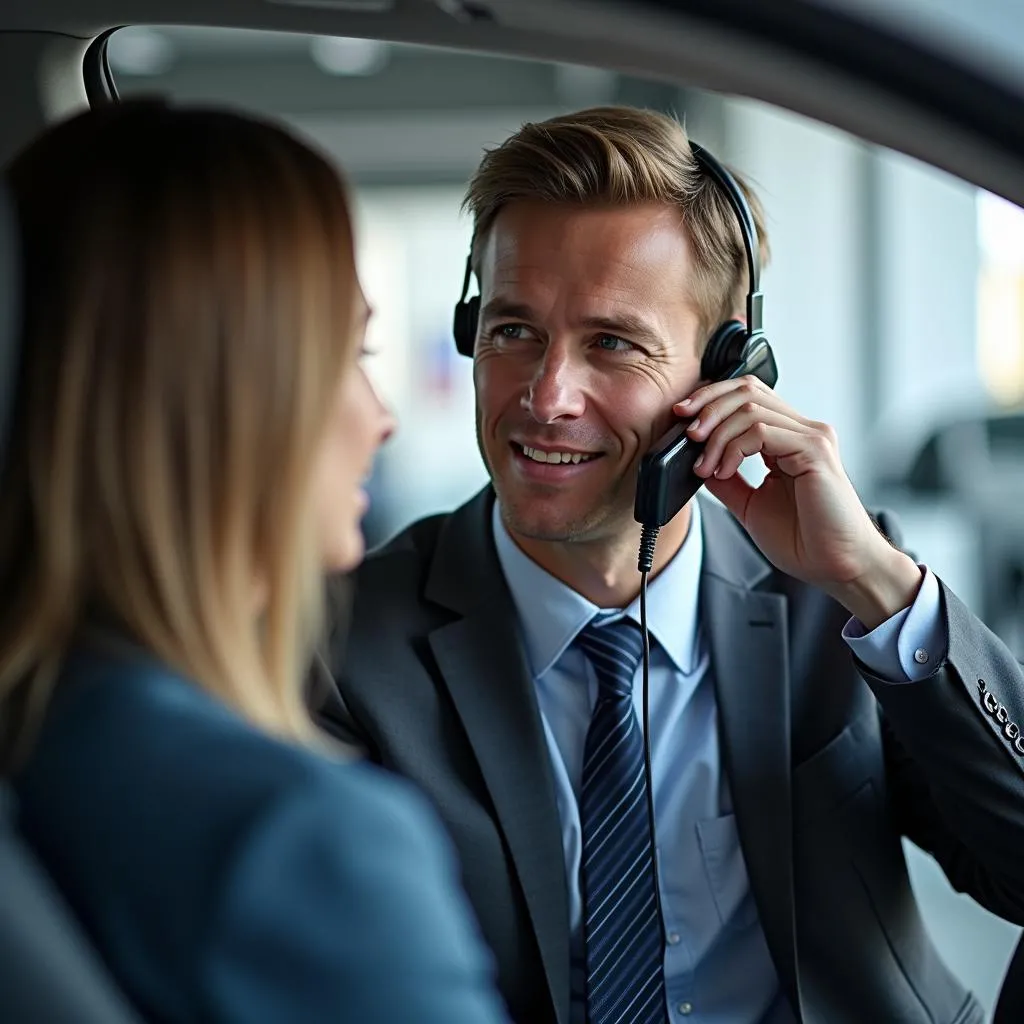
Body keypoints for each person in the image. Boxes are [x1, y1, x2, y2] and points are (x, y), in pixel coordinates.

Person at [314, 105, 1024, 1024]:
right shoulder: (346, 644)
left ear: (730, 370)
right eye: (512, 330)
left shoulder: (836, 598)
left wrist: (877, 585)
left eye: (611, 342)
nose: (545, 396)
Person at [0, 100, 510, 1024]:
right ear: (232, 407)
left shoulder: (38, 731)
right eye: (351, 353)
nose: (380, 416)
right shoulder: (307, 844)